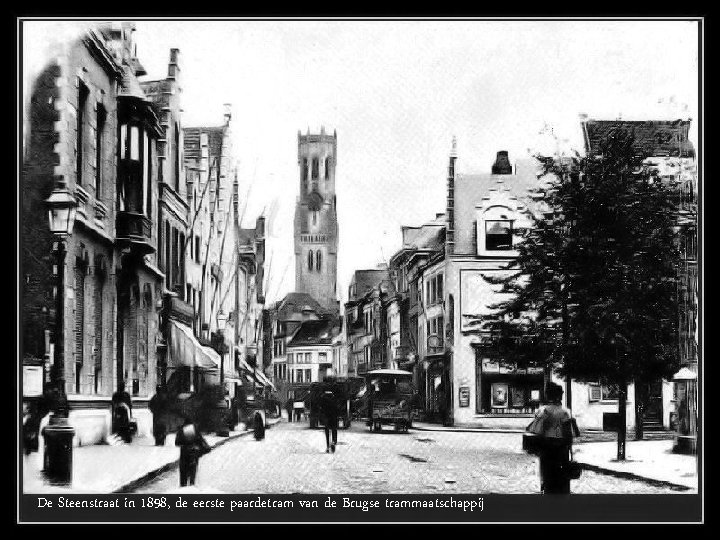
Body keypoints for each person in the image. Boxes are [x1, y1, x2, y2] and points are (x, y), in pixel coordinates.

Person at [528, 383, 578, 494]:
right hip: (561, 445)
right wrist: (570, 448)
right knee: (562, 468)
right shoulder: (565, 412)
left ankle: (546, 487)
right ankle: (563, 489)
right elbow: (568, 433)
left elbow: (535, 430)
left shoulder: (542, 411)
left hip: (546, 445)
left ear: (548, 396)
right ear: (559, 396)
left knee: (546, 469)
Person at [175, 417, 208, 487]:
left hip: (184, 454)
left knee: (183, 472)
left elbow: (177, 442)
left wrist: (184, 443)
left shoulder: (181, 430)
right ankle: (191, 487)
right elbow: (200, 441)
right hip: (194, 453)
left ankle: (183, 487)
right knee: (192, 471)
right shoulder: (195, 429)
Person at [319, 379, 339, 453]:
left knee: (327, 431)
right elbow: (337, 408)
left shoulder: (323, 398)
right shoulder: (334, 398)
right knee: (334, 429)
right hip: (333, 417)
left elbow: (320, 408)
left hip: (326, 417)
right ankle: (334, 442)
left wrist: (321, 417)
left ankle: (327, 447)